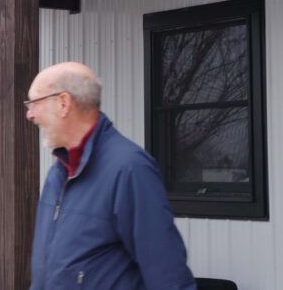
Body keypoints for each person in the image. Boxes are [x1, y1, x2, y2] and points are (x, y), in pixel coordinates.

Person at [25, 61, 197, 290]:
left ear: (63, 103)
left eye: (34, 103)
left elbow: (168, 277)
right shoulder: (58, 173)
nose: (30, 115)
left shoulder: (130, 169)